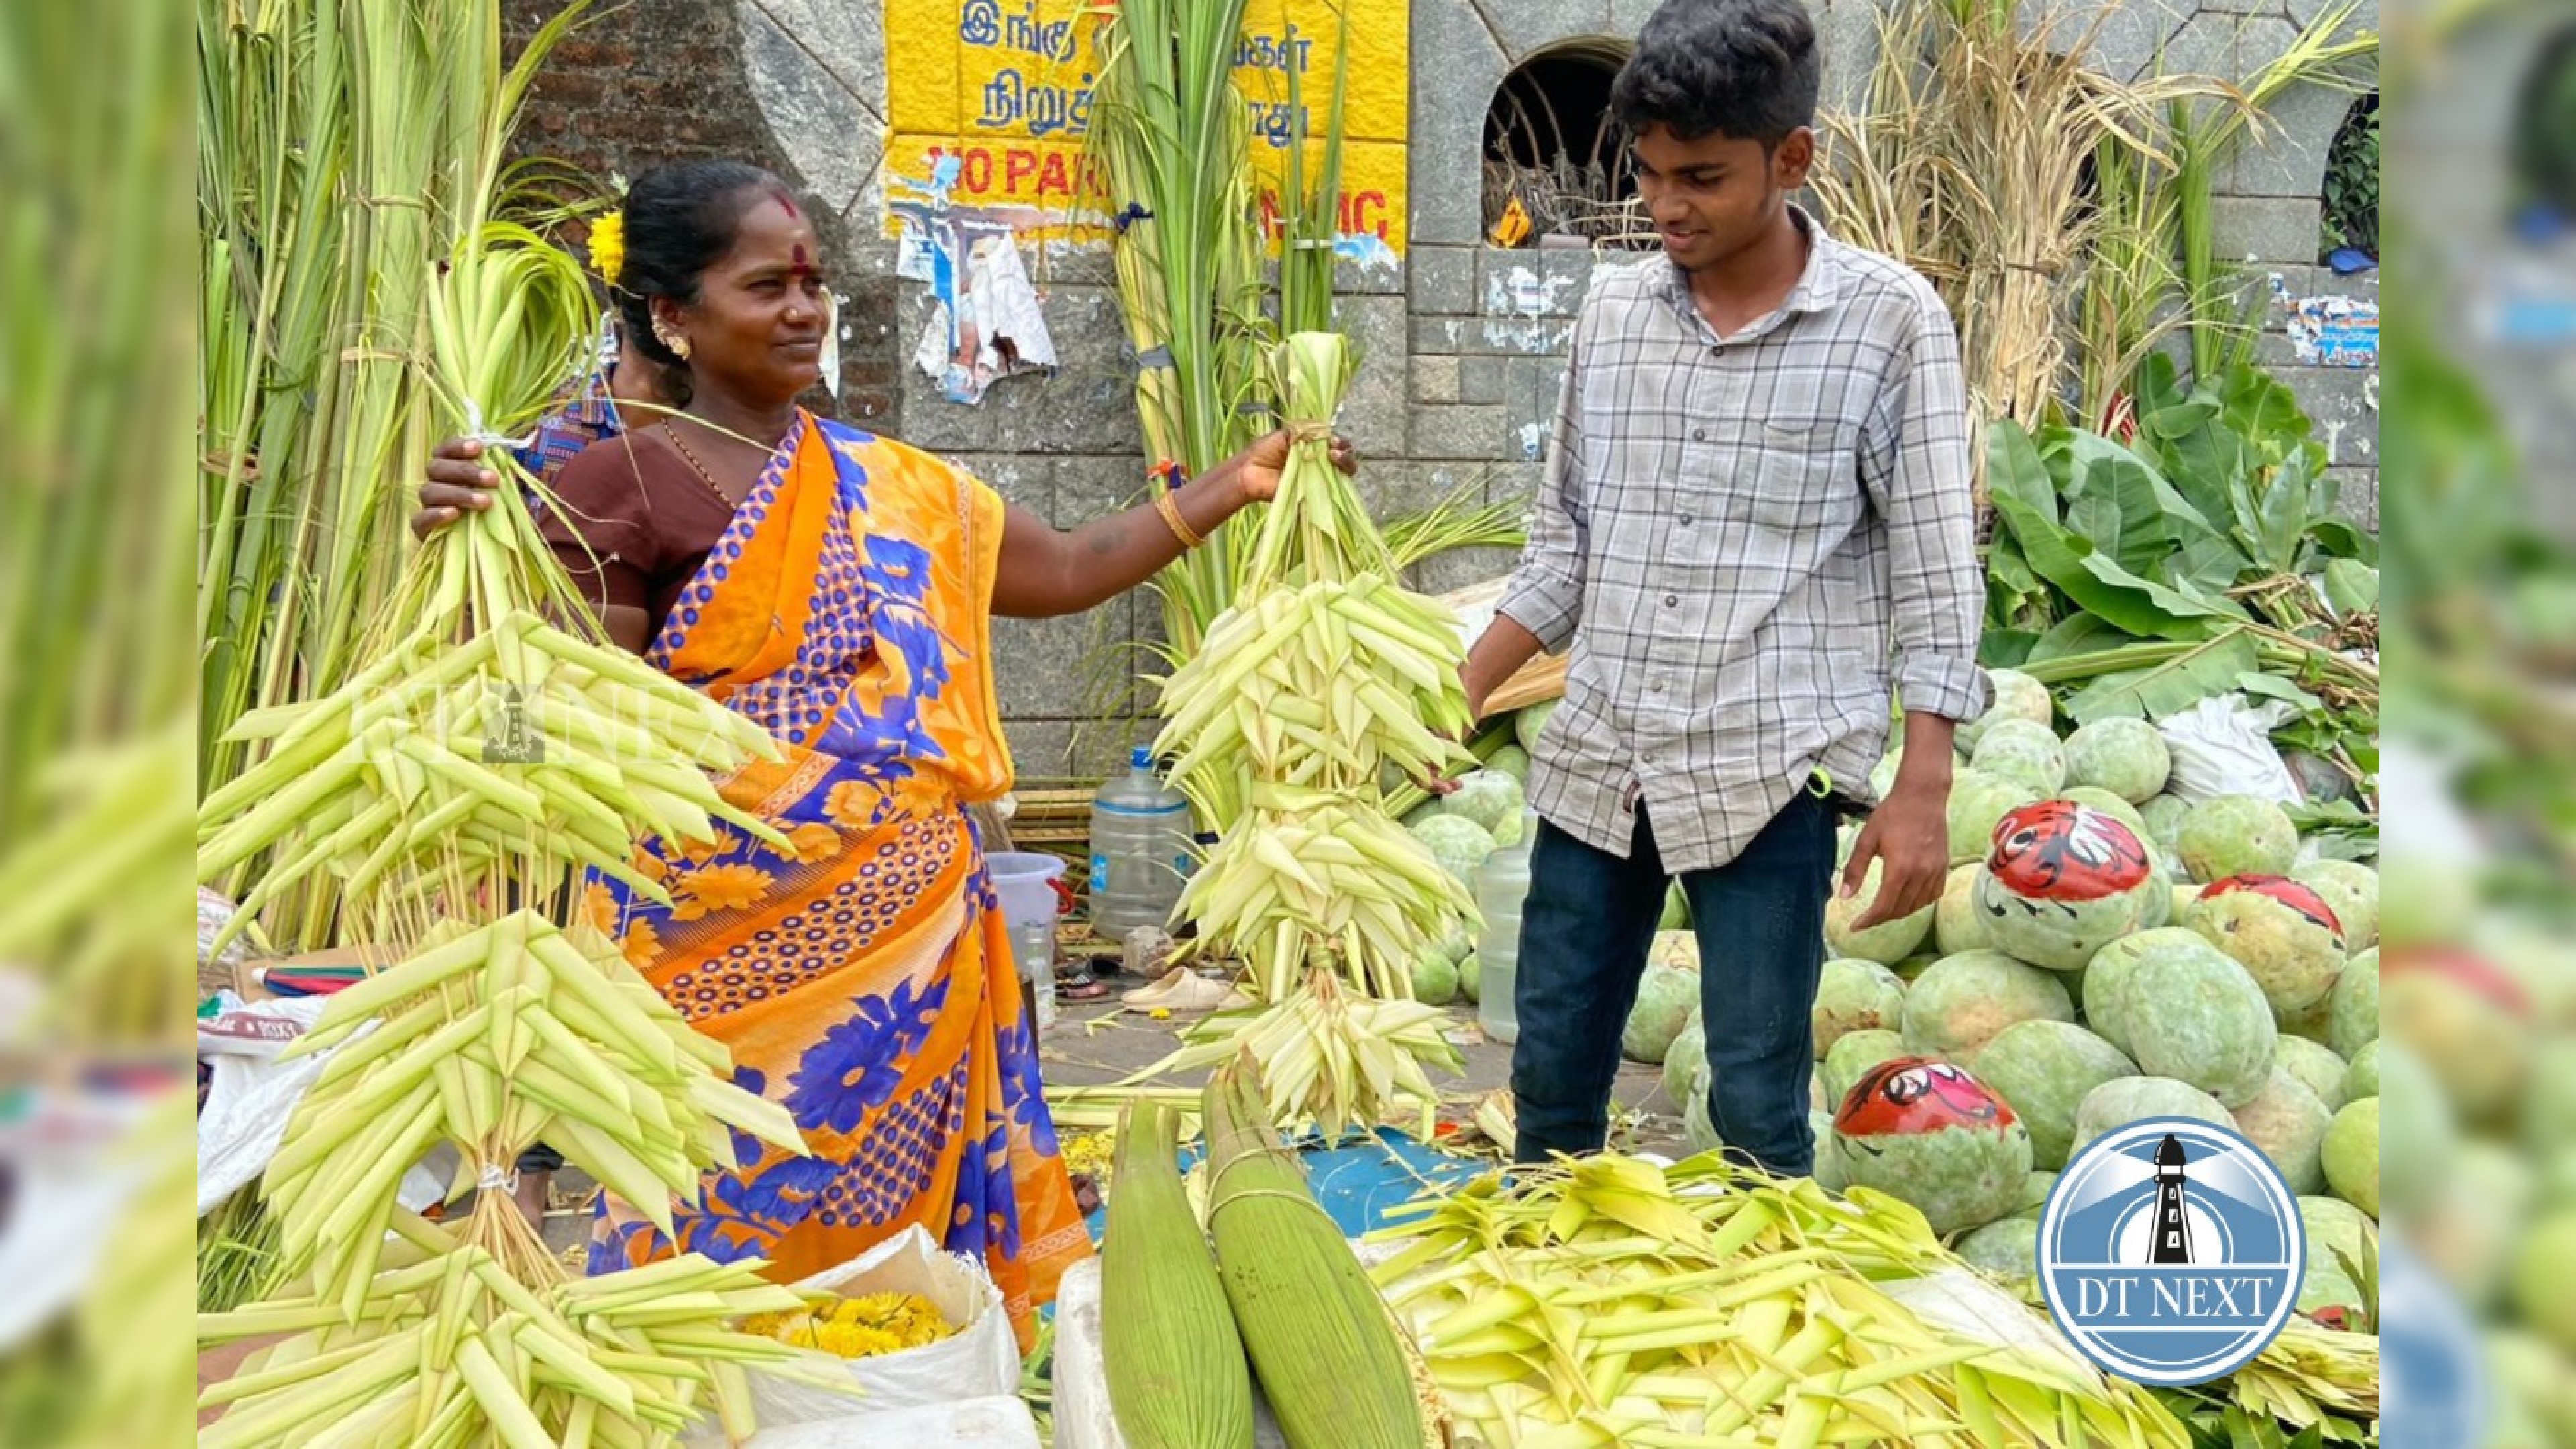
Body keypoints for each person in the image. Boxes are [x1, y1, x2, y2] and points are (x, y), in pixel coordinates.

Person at [415, 159, 1351, 1346]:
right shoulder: (617, 484)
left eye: (812, 283)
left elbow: (1060, 568)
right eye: (766, 286)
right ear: (673, 316)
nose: (805, 309)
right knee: (721, 1268)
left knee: (902, 1273)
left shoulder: (894, 483)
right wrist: (472, 579)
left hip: (909, 969)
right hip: (715, 975)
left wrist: (1232, 486)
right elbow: (547, 728)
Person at [1457, 0, 1989, 1178]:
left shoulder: (1888, 323)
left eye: (1700, 176)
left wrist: (1924, 786)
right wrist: (1453, 693)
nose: (1665, 208)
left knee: (1753, 1102)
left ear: (1791, 159)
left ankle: (1763, 1328)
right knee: (1547, 1082)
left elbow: (1937, 567)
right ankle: (1552, 1285)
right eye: (1647, 174)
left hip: (1769, 767)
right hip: (1602, 756)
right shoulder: (1613, 316)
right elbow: (1565, 553)